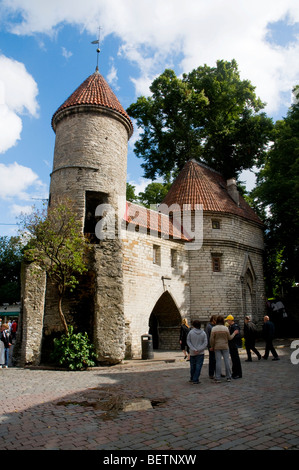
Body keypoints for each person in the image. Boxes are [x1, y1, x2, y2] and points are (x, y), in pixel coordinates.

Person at [210, 315, 239, 383]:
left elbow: (211, 339)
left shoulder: (214, 329)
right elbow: (229, 338)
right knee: (227, 361)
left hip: (217, 346)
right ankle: (228, 376)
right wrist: (234, 333)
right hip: (225, 346)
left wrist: (212, 346)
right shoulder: (226, 328)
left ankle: (218, 377)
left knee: (218, 362)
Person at [186, 320, 207, 384]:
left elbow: (188, 341)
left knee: (192, 366)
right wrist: (199, 349)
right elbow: (205, 343)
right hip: (200, 352)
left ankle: (192, 378)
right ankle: (195, 379)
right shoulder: (203, 333)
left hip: (192, 352)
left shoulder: (191, 332)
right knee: (198, 366)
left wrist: (194, 349)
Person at [225, 315, 242, 379]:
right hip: (231, 345)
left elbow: (237, 335)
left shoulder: (235, 326)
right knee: (233, 359)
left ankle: (237, 373)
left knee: (236, 359)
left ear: (230, 320)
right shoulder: (231, 326)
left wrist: (231, 335)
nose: (227, 321)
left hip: (234, 344)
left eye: (227, 320)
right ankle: (234, 372)